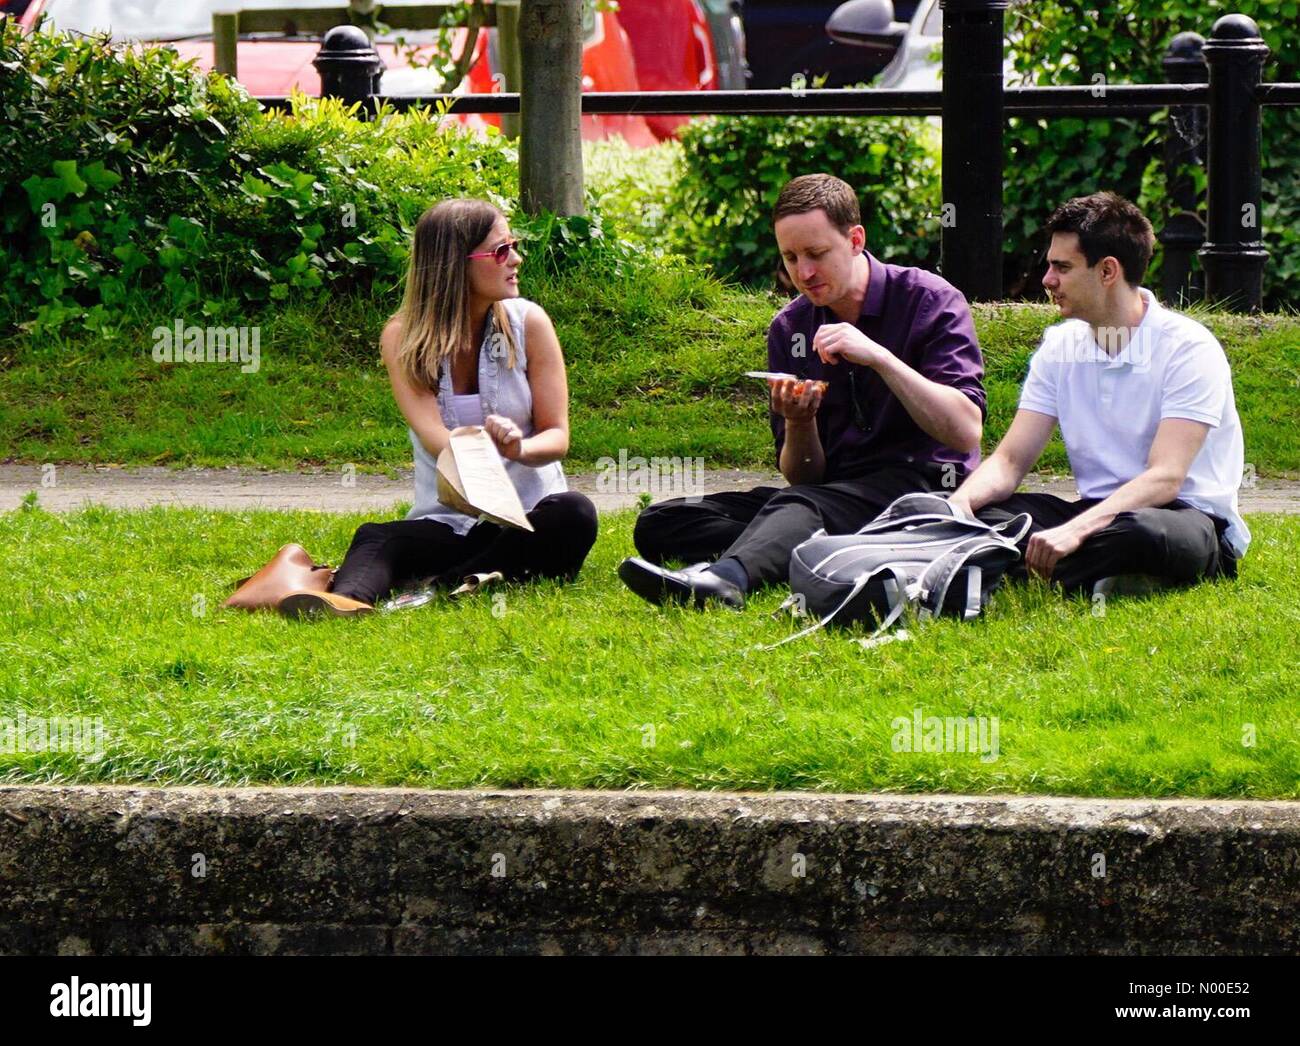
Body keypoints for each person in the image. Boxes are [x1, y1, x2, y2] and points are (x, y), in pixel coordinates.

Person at [618, 173, 987, 609]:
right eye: (790, 258)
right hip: (831, 492)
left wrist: (880, 357)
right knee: (664, 522)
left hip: (921, 487)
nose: (804, 273)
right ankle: (826, 546)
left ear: (855, 239)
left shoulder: (931, 300)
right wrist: (799, 422)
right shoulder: (791, 327)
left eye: (816, 254)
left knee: (800, 507)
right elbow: (803, 474)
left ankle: (725, 580)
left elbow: (965, 432)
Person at [253, 198, 597, 617]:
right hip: (449, 522)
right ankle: (344, 602)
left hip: (528, 519)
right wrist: (477, 450)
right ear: (456, 262)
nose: (516, 259)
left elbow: (557, 436)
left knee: (575, 513)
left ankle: (439, 583)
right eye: (501, 250)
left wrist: (518, 449)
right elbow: (435, 436)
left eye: (514, 245)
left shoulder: (530, 323)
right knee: (380, 537)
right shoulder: (403, 337)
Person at [947, 191, 1248, 596]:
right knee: (985, 514)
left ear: (1107, 271)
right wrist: (958, 509)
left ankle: (1007, 569)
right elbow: (1010, 460)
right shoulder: (1060, 346)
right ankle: (1098, 575)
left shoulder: (1189, 347)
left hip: (1182, 519)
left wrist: (1076, 530)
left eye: (1062, 267)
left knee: (1146, 535)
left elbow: (1166, 478)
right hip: (1097, 511)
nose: (1047, 280)